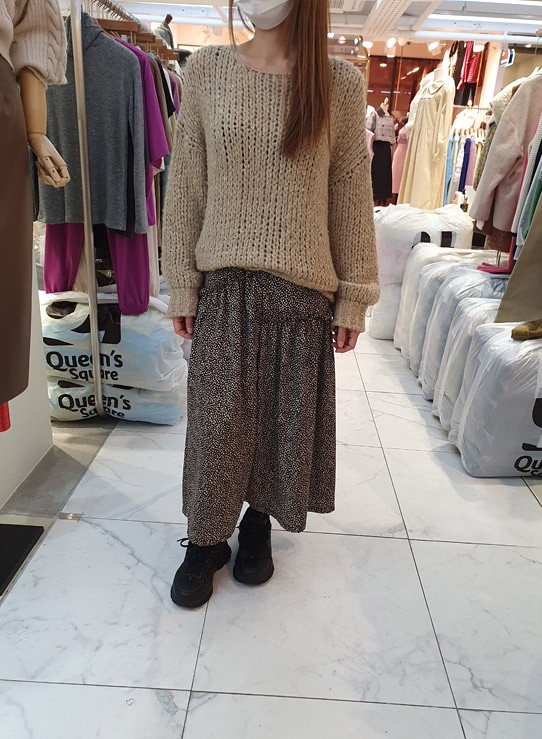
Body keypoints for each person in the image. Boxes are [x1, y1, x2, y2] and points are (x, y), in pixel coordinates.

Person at [162, 0, 379, 610]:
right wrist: (181, 282)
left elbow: (349, 191)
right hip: (225, 285)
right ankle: (206, 539)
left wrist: (355, 295)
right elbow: (187, 182)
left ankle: (256, 522)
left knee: (280, 423)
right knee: (217, 422)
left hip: (302, 290)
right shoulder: (207, 70)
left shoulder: (337, 83)